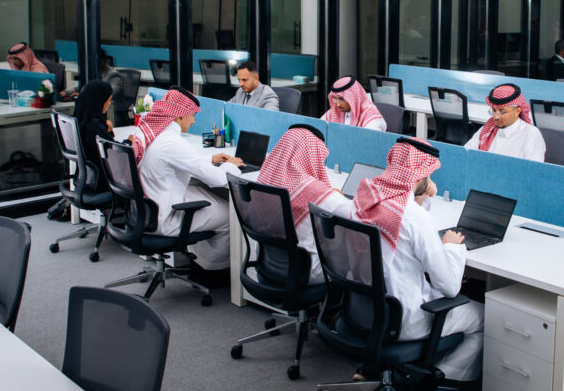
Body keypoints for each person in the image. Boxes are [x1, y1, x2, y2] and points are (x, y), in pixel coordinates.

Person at [351, 137, 481, 391]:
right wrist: (451, 247)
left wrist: (422, 199)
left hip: (361, 311)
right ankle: (426, 386)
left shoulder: (365, 198)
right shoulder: (414, 217)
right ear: (419, 175)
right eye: (429, 174)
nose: (431, 180)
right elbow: (449, 287)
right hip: (403, 320)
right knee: (483, 317)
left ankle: (379, 367)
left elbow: (407, 229)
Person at [133, 87, 244, 271]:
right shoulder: (172, 142)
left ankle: (200, 261)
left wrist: (209, 159)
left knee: (204, 195)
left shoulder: (154, 133)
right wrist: (232, 165)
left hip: (148, 210)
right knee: (229, 215)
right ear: (180, 115)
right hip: (164, 217)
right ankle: (211, 269)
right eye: (192, 116)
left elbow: (178, 161)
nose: (193, 121)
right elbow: (218, 179)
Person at [256, 124, 351, 285]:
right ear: (311, 154)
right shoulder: (315, 193)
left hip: (266, 265)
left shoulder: (264, 180)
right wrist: (335, 195)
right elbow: (353, 214)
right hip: (305, 272)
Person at [464, 84, 546, 162]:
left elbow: (533, 169)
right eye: (494, 110)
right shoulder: (487, 129)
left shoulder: (531, 134)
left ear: (517, 111)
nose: (496, 117)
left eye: (502, 112)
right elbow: (466, 154)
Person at [72, 80, 115, 192]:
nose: (109, 104)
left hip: (86, 179)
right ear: (99, 101)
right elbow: (116, 153)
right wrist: (129, 142)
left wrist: (106, 128)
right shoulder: (95, 126)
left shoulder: (80, 120)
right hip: (102, 182)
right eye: (108, 100)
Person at [320, 76, 387, 132]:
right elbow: (319, 128)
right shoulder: (336, 111)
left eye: (341, 99)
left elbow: (368, 141)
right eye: (335, 99)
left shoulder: (370, 113)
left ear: (353, 98)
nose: (338, 105)